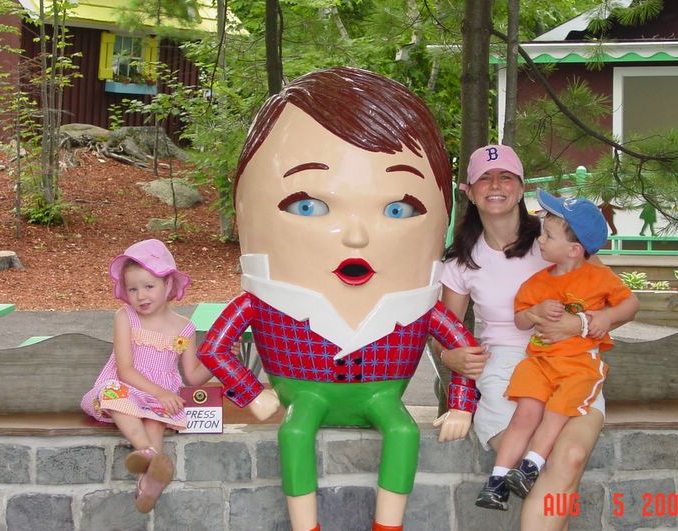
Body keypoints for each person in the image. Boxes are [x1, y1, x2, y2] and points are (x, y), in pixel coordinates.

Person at [197, 67, 482, 531]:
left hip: (382, 392)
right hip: (303, 392)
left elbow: (465, 352)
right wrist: (252, 394)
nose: (356, 237)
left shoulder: (418, 309)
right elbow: (214, 348)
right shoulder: (264, 305)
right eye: (308, 205)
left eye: (398, 208)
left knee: (404, 430)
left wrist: (461, 403)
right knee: (294, 430)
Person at [438, 144, 634, 530]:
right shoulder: (462, 260)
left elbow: (612, 299)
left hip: (572, 364)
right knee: (540, 466)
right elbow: (444, 331)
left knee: (570, 456)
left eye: (506, 177)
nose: (496, 185)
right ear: (470, 191)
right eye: (485, 178)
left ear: (521, 187)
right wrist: (449, 357)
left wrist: (581, 324)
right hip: (505, 370)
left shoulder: (558, 238)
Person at [476, 189, 638, 510]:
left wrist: (606, 317)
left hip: (578, 366)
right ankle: (496, 482)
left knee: (555, 413)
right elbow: (520, 320)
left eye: (548, 236)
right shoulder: (538, 282)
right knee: (524, 415)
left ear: (574, 250)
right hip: (539, 362)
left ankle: (530, 466)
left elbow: (631, 304)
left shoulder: (600, 278)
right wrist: (535, 313)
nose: (540, 240)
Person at [81, 239, 213, 513]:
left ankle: (148, 483)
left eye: (149, 287)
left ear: (168, 284)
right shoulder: (125, 317)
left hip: (159, 400)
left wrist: (220, 359)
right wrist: (160, 393)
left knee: (155, 421)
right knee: (114, 393)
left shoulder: (185, 328)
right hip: (127, 389)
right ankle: (151, 454)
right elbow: (125, 370)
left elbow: (193, 377)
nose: (140, 296)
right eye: (133, 289)